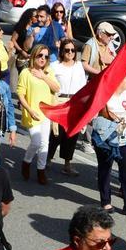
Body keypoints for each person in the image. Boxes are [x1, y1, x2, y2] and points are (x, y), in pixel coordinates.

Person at [90, 67, 126, 215]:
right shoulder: (104, 94)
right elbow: (93, 115)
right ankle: (106, 202)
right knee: (105, 169)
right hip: (106, 140)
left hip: (125, 140)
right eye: (125, 76)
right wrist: (109, 116)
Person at [16, 44, 60, 185]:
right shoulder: (26, 73)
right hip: (32, 113)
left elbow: (57, 88)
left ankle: (41, 170)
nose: (43, 59)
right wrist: (29, 110)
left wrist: (43, 77)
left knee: (45, 143)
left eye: (46, 56)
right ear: (34, 56)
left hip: (45, 113)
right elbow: (20, 94)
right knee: (36, 142)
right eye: (40, 55)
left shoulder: (48, 72)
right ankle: (26, 161)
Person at [47, 37, 88, 174]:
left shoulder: (79, 66)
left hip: (75, 103)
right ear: (62, 51)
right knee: (56, 134)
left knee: (71, 135)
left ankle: (67, 164)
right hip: (59, 102)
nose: (70, 52)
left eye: (73, 50)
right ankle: (48, 159)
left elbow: (83, 86)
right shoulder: (55, 66)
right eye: (67, 50)